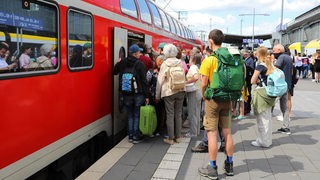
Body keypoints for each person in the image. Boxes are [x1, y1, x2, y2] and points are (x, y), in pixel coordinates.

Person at [198, 29, 234, 179]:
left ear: (211, 41)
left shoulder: (209, 60)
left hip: (213, 100)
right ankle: (229, 165)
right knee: (226, 131)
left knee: (212, 133)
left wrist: (204, 96)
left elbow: (204, 82)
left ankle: (212, 168)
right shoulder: (230, 58)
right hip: (227, 98)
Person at [113, 44, 149, 143]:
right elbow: (143, 81)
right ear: (134, 53)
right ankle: (136, 136)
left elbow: (114, 72)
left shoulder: (123, 62)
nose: (140, 54)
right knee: (136, 114)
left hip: (126, 93)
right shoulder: (140, 64)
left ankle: (130, 135)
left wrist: (118, 63)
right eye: (138, 52)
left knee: (130, 115)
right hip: (138, 94)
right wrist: (147, 95)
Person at [155, 43, 185, 145]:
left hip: (169, 92)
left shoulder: (165, 64)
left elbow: (160, 81)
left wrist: (157, 96)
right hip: (180, 90)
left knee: (170, 115)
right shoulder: (180, 62)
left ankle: (171, 138)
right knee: (178, 114)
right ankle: (178, 137)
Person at [250, 46, 276, 147]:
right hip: (270, 92)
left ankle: (263, 141)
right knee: (267, 118)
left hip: (262, 93)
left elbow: (252, 81)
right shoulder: (270, 64)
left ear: (259, 54)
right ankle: (267, 140)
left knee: (262, 118)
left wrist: (257, 80)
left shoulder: (260, 65)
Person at [273, 44, 293, 135]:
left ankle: (267, 128)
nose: (273, 52)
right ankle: (286, 127)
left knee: (271, 106)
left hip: (279, 85)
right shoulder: (289, 57)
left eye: (274, 51)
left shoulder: (281, 57)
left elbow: (275, 69)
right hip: (286, 84)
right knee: (284, 107)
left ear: (279, 50)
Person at [146, 55, 166, 135]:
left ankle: (153, 128)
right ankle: (158, 129)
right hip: (162, 95)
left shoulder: (150, 72)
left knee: (153, 112)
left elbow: (147, 83)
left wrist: (147, 95)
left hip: (152, 95)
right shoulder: (165, 72)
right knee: (159, 113)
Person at [185, 53, 202, 137]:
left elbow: (195, 77)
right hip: (198, 91)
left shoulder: (193, 67)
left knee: (192, 113)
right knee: (196, 112)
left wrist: (186, 82)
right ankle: (196, 131)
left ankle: (193, 133)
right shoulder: (197, 67)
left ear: (192, 60)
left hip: (194, 92)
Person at [241, 48, 255, 115]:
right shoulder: (247, 60)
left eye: (243, 54)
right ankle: (247, 107)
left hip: (248, 79)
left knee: (248, 94)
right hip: (247, 79)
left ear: (246, 54)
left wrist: (247, 66)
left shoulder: (250, 60)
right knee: (246, 93)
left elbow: (251, 70)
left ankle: (247, 108)